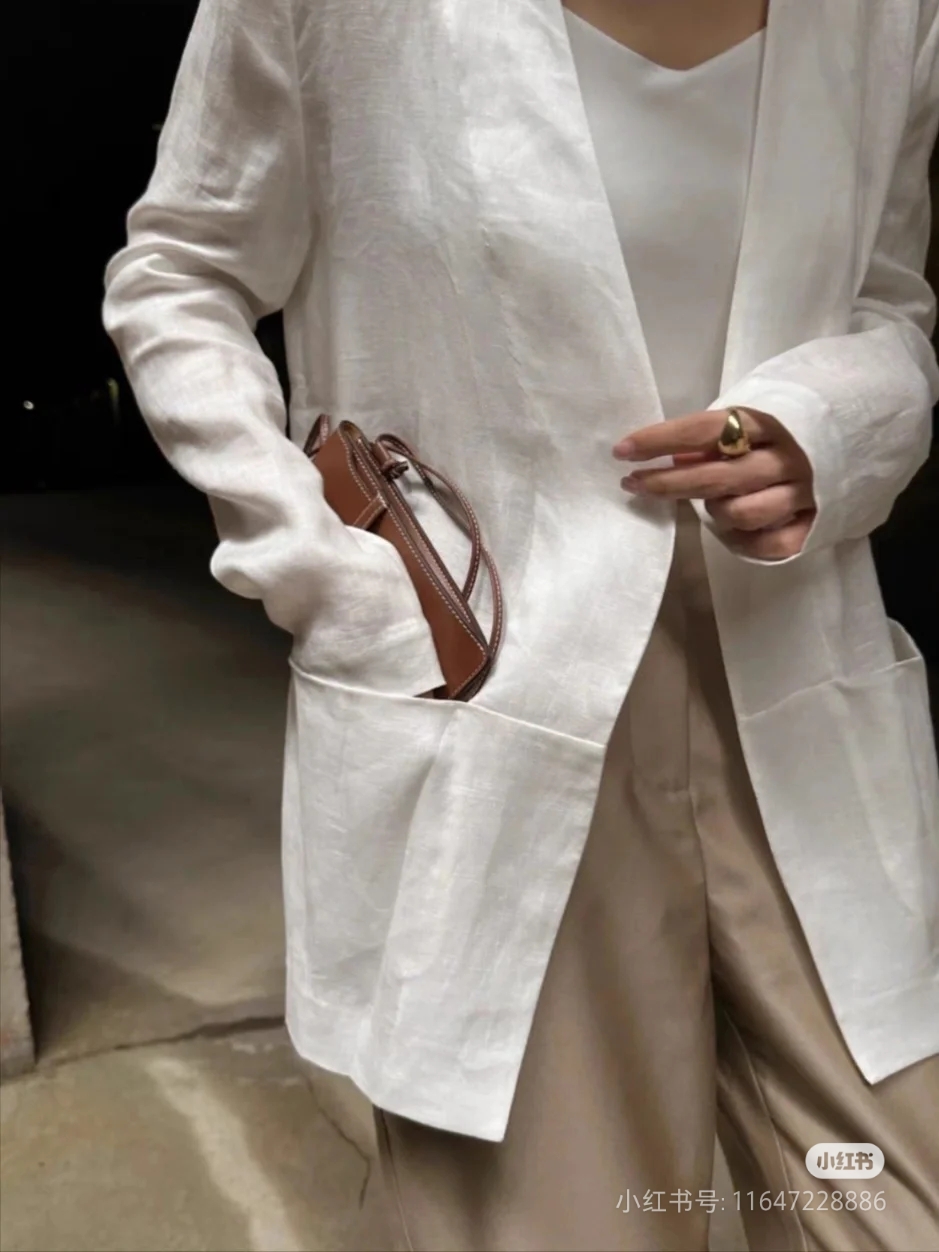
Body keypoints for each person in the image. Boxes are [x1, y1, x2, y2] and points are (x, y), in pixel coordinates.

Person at [103, 0, 939, 1247]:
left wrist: (829, 425)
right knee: (564, 1222)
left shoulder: (888, 14)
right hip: (504, 703)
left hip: (795, 680)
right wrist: (319, 565)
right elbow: (181, 269)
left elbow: (886, 300)